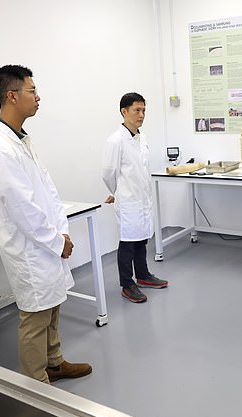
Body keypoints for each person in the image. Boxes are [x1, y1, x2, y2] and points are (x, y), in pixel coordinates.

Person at [0, 65, 92, 384]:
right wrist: (57, 241)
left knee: (52, 305)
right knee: (34, 317)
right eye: (32, 91)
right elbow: (23, 209)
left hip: (47, 241)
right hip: (30, 249)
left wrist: (62, 231)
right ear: (12, 96)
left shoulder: (20, 139)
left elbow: (47, 190)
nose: (37, 96)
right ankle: (36, 385)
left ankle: (54, 363)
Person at [101, 92, 169, 303]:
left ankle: (143, 275)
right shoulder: (115, 141)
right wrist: (116, 193)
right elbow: (108, 173)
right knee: (128, 243)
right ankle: (127, 284)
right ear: (124, 111)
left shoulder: (142, 137)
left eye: (143, 110)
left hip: (142, 199)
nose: (141, 115)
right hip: (128, 200)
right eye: (137, 110)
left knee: (141, 239)